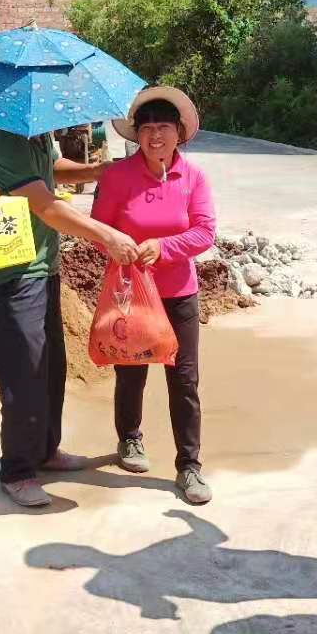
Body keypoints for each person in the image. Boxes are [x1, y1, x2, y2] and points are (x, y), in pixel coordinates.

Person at [0, 124, 140, 507]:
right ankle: (17, 471)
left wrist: (94, 171)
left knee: (50, 369)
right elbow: (46, 205)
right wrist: (106, 235)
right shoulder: (2, 138)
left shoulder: (36, 133)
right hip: (8, 275)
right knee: (24, 375)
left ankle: (45, 451)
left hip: (41, 266)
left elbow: (50, 169)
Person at [92, 88, 217, 505]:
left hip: (179, 294)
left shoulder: (193, 178)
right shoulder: (116, 177)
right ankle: (129, 437)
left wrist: (163, 248)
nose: (155, 136)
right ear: (136, 135)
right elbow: (98, 230)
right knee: (130, 372)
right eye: (146, 128)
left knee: (184, 380)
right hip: (129, 295)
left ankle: (189, 466)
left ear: (179, 133)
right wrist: (118, 247)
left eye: (164, 127)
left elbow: (204, 232)